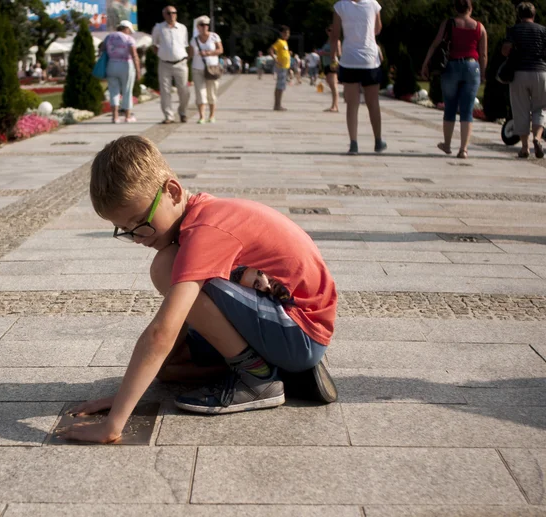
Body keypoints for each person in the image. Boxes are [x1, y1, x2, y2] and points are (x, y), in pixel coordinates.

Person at [57, 135, 338, 443]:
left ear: (173, 192)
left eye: (140, 223)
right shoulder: (202, 214)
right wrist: (128, 395)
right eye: (125, 231)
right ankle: (280, 369)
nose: (138, 238)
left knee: (166, 267)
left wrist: (114, 424)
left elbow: (162, 331)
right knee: (172, 368)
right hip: (286, 321)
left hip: (300, 332)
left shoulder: (204, 231)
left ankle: (258, 379)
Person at [422, 0, 487, 159]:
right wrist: (484, 73)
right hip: (472, 67)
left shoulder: (449, 23)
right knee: (467, 109)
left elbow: (435, 44)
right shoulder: (480, 27)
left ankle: (447, 144)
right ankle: (463, 149)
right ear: (470, 8)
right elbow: (483, 54)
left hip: (451, 67)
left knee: (450, 107)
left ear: (455, 9)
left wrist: (425, 64)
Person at [330, 0, 387, 155]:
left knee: (352, 104)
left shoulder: (340, 6)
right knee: (373, 103)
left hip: (349, 59)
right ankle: (378, 141)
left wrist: (333, 56)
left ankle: (353, 143)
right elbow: (378, 29)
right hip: (369, 59)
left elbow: (335, 34)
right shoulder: (373, 4)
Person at [502, 2, 546, 159]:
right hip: (540, 72)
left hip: (519, 72)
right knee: (540, 108)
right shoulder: (543, 30)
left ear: (519, 15)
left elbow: (506, 50)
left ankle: (525, 148)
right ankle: (538, 137)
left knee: (520, 109)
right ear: (534, 15)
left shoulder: (513, 30)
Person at [152, 6, 190, 124]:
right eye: (169, 13)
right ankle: (169, 116)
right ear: (164, 14)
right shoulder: (158, 28)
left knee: (184, 90)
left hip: (181, 63)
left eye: (174, 13)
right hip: (164, 64)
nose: (172, 15)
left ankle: (182, 111)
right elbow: (154, 45)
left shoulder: (182, 28)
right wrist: (162, 55)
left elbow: (185, 44)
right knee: (165, 91)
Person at [104, 20, 140, 124]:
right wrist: (138, 70)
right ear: (126, 28)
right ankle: (127, 116)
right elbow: (134, 55)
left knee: (113, 91)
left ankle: (115, 117)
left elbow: (101, 48)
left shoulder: (109, 37)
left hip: (111, 64)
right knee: (127, 91)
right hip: (126, 65)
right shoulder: (129, 38)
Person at [189, 15, 223, 124]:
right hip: (197, 68)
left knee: (212, 93)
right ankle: (201, 116)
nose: (204, 27)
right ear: (198, 27)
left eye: (206, 25)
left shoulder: (214, 37)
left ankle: (212, 115)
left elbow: (220, 50)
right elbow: (190, 54)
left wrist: (208, 53)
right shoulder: (194, 40)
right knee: (200, 93)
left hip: (212, 68)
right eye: (202, 25)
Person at [319, 26, 341, 112]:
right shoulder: (328, 41)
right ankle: (334, 105)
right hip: (326, 64)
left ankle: (335, 106)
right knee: (330, 85)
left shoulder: (336, 41)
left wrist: (326, 53)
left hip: (332, 64)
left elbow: (338, 53)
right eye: (328, 30)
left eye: (331, 30)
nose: (329, 32)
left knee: (333, 85)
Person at [269, 25, 291, 111]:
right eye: (285, 33)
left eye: (288, 33)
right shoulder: (279, 42)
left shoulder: (285, 42)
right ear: (281, 33)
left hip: (285, 67)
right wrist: (275, 59)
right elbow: (271, 49)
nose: (287, 35)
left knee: (281, 86)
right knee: (280, 86)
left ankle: (278, 104)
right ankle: (277, 105)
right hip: (281, 67)